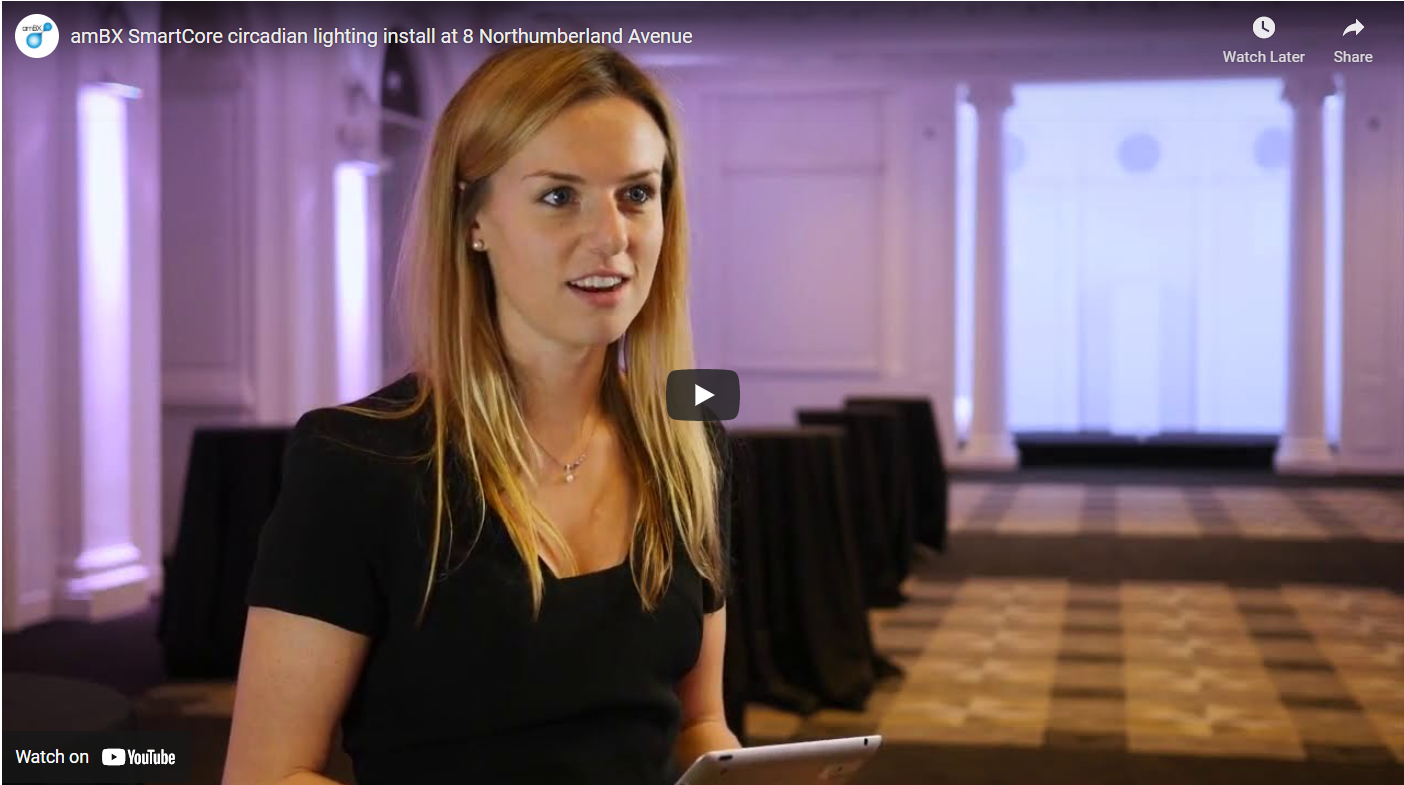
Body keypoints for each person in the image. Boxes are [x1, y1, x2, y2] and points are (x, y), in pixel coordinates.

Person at [222, 44, 739, 785]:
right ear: (474, 220)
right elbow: (266, 773)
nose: (612, 237)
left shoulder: (688, 446)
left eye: (636, 194)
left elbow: (697, 726)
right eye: (559, 196)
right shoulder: (358, 461)